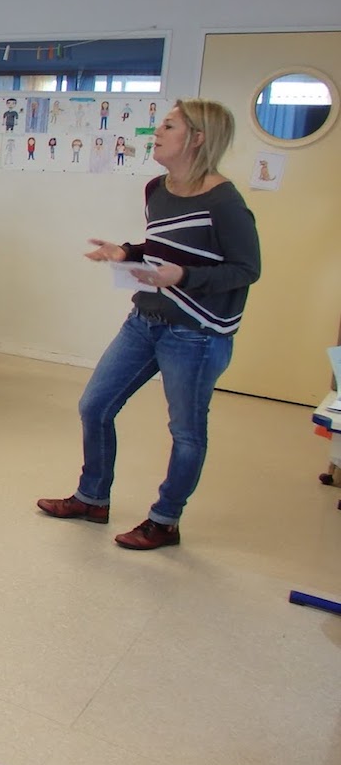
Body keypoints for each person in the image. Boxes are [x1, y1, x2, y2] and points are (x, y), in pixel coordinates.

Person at [37, 99, 261, 551]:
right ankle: (92, 498)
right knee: (95, 406)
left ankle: (165, 520)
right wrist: (127, 252)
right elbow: (165, 246)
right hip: (145, 319)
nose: (156, 133)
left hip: (197, 332)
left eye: (168, 126)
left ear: (197, 138)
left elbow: (246, 269)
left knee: (186, 432)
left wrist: (186, 278)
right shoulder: (157, 188)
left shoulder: (225, 201)